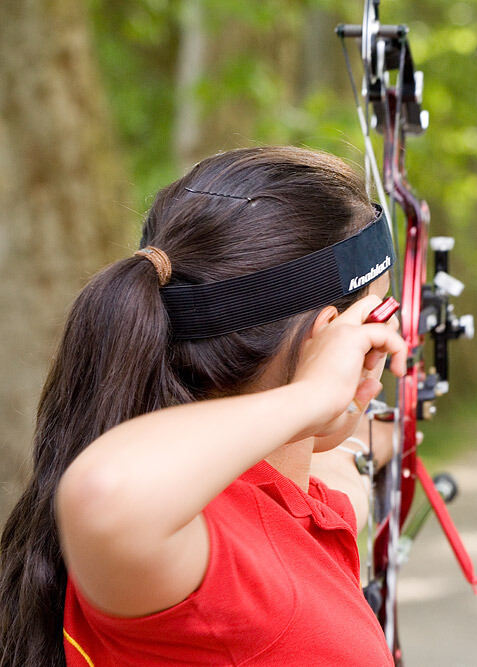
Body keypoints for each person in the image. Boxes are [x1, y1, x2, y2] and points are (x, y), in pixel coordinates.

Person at [0, 146, 408, 665]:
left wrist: (359, 428)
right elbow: (106, 493)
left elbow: (339, 467)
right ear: (328, 343)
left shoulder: (281, 497)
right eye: (378, 325)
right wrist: (315, 396)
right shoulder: (210, 561)